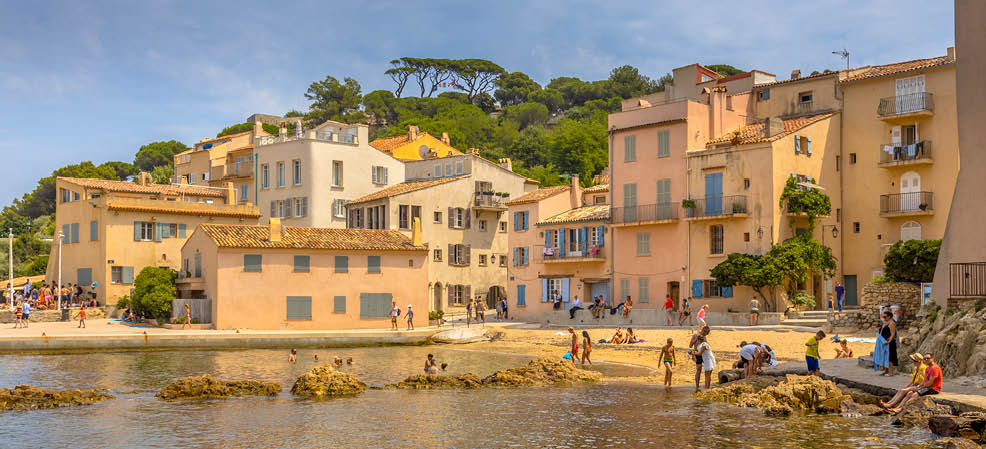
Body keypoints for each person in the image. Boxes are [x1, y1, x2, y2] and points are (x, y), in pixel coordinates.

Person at [879, 310, 898, 376]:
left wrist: (889, 341)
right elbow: (881, 332)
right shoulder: (884, 323)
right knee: (884, 357)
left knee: (890, 357)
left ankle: (891, 372)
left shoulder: (892, 323)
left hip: (889, 342)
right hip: (883, 342)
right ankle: (886, 371)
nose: (883, 318)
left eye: (885, 316)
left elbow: (893, 334)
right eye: (883, 316)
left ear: (889, 316)